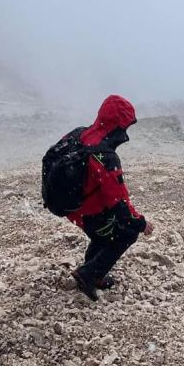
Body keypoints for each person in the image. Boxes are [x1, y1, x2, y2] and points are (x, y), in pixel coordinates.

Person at [67, 95, 153, 301]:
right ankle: (88, 274)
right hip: (89, 211)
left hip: (73, 206)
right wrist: (141, 223)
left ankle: (94, 273)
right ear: (118, 126)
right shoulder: (105, 156)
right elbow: (119, 203)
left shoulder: (80, 134)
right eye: (125, 127)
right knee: (127, 231)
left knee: (104, 231)